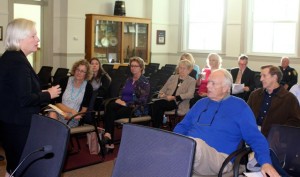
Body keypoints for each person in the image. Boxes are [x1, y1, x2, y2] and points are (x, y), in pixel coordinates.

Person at [173, 68, 280, 177]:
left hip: (220, 159)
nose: (208, 86)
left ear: (225, 88)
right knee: (162, 142)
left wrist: (266, 162)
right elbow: (182, 126)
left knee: (195, 145)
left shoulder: (240, 107)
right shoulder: (200, 103)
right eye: (209, 82)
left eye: (213, 83)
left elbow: (255, 137)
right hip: (190, 151)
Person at [0, 18, 61, 177]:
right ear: (20, 38)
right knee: (23, 167)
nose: (38, 39)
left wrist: (42, 92)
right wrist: (49, 94)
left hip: (10, 123)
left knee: (13, 166)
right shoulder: (17, 63)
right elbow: (25, 99)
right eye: (33, 36)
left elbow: (19, 92)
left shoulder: (9, 58)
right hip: (19, 125)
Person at [103, 57, 150, 150]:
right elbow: (122, 92)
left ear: (141, 67)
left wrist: (127, 104)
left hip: (135, 109)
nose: (133, 68)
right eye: (131, 66)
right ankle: (108, 136)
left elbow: (142, 100)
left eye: (135, 66)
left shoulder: (144, 82)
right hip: (124, 104)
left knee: (110, 113)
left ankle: (109, 138)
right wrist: (120, 100)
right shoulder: (129, 79)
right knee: (110, 105)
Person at [247, 65, 300, 137]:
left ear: (275, 77)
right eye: (261, 76)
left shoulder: (289, 98)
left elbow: (296, 121)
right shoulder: (255, 95)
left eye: (264, 76)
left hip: (275, 141)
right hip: (253, 136)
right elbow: (246, 115)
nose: (261, 79)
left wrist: (278, 132)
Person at [48, 59, 93, 128]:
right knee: (52, 114)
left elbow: (84, 110)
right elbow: (57, 103)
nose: (79, 73)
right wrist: (71, 111)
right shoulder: (64, 81)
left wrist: (73, 115)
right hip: (60, 111)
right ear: (74, 70)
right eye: (77, 70)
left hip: (73, 117)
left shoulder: (88, 87)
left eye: (82, 71)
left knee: (54, 125)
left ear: (86, 74)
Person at [151, 59, 196, 128]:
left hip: (178, 103)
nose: (181, 70)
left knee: (157, 105)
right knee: (153, 105)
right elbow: (163, 89)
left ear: (189, 70)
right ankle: (157, 126)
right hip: (166, 100)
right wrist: (162, 94)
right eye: (180, 68)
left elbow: (190, 94)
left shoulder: (192, 81)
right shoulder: (173, 77)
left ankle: (156, 127)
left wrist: (174, 97)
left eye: (184, 68)